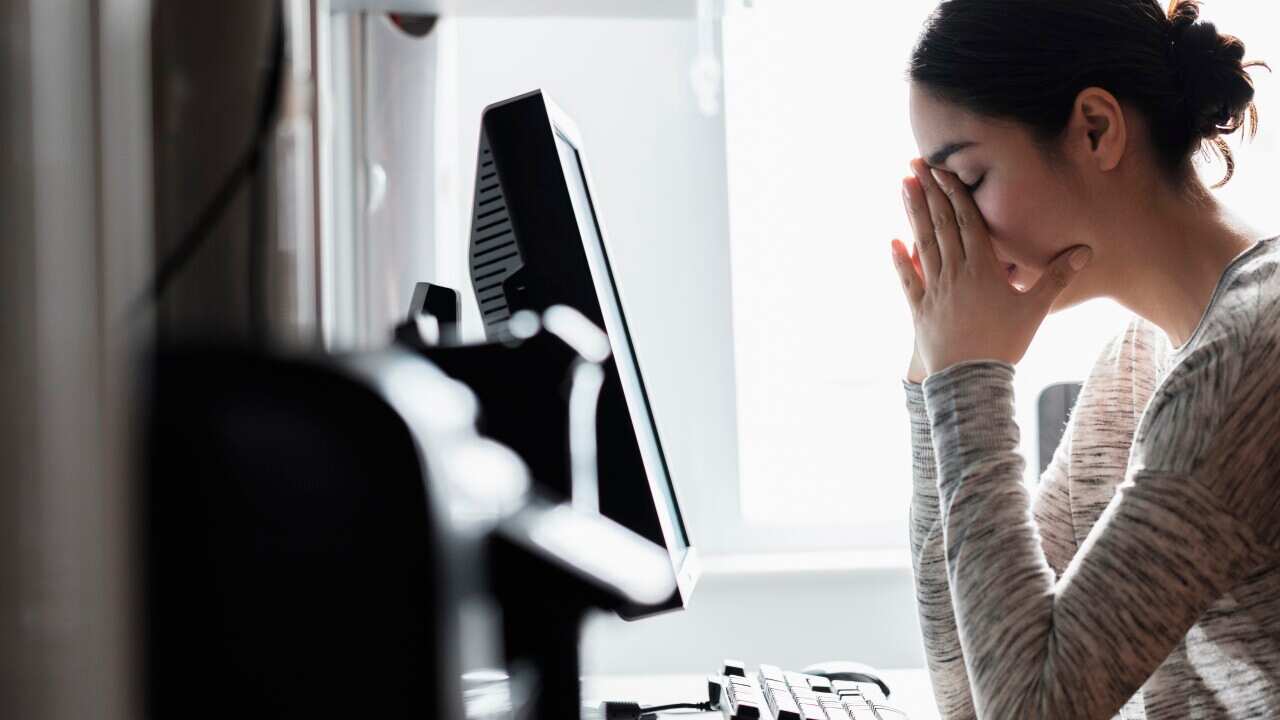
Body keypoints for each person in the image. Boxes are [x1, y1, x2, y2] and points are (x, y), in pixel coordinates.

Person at [892, 0, 1278, 717]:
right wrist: (932, 375)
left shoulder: (1253, 354)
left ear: (1096, 130)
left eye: (969, 182)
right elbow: (972, 692)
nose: (956, 231)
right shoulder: (1135, 368)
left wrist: (969, 380)